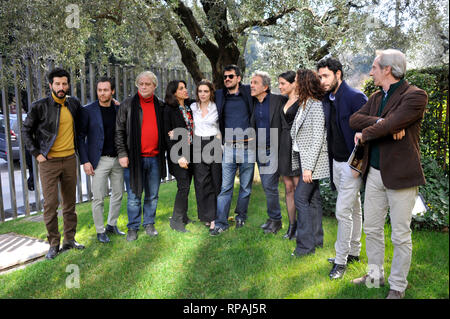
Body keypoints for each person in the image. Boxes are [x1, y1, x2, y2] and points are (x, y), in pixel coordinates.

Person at [349, 49, 428, 299]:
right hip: (373, 173)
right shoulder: (376, 96)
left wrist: (369, 132)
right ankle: (374, 276)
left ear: (387, 70)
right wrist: (384, 123)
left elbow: (393, 124)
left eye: (374, 67)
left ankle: (398, 286)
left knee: (401, 234)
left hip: (401, 176)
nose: (370, 72)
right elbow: (354, 119)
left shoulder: (416, 96)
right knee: (371, 229)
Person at [22, 68, 84, 260]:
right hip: (48, 162)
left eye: (64, 84)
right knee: (50, 204)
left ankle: (70, 240)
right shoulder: (39, 106)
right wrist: (37, 154)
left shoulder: (73, 103)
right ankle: (54, 244)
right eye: (57, 84)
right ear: (50, 85)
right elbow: (25, 131)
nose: (61, 87)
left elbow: (86, 116)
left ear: (68, 85)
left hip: (70, 160)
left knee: (70, 204)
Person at [317, 57, 368, 279]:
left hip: (352, 164)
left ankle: (340, 261)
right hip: (336, 162)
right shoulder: (327, 99)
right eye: (320, 76)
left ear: (338, 74)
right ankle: (354, 253)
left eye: (325, 76)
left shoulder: (357, 98)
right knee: (354, 207)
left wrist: (358, 165)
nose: (322, 80)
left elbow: (367, 134)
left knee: (342, 211)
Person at [115, 71, 167, 241]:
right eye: (141, 84)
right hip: (133, 158)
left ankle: (149, 224)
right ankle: (133, 227)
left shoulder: (160, 105)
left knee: (152, 194)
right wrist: (122, 154)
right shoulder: (127, 105)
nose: (144, 87)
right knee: (134, 196)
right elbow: (119, 132)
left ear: (154, 86)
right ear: (137, 85)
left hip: (155, 158)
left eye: (148, 84)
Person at [77, 77, 125, 244]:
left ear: (112, 91)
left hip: (118, 159)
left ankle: (112, 225)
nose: (102, 93)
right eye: (99, 90)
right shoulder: (88, 110)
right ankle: (100, 231)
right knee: (98, 197)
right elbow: (80, 137)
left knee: (118, 194)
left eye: (106, 90)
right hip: (98, 161)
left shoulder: (118, 109)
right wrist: (85, 161)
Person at [210, 65, 255, 236]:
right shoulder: (220, 95)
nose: (227, 79)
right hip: (228, 148)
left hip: (248, 147)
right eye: (225, 77)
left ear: (239, 78)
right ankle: (221, 223)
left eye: (230, 76)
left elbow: (267, 97)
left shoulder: (248, 92)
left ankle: (241, 216)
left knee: (245, 186)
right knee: (225, 187)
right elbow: (202, 98)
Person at [290, 69, 329, 257]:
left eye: (296, 81)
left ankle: (305, 247)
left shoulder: (316, 106)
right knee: (313, 200)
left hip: (311, 162)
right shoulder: (303, 105)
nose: (294, 84)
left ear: (304, 83)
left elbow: (317, 139)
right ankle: (316, 240)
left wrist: (308, 168)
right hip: (302, 158)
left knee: (300, 199)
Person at [250, 71, 287, 234]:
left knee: (269, 186)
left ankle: (276, 221)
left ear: (265, 87)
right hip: (259, 151)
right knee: (268, 187)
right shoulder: (253, 103)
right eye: (251, 82)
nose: (251, 85)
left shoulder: (278, 100)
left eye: (255, 83)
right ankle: (273, 218)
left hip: (274, 150)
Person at [164, 80, 196, 232]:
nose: (185, 90)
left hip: (191, 151)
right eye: (181, 88)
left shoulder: (189, 107)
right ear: (174, 92)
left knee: (186, 186)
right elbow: (167, 137)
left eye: (185, 87)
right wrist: (178, 157)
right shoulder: (169, 110)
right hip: (178, 154)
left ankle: (183, 216)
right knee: (183, 186)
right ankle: (176, 221)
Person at [190, 80, 222, 233]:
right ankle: (206, 216)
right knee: (201, 182)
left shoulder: (216, 107)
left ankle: (215, 218)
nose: (203, 94)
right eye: (200, 91)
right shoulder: (192, 107)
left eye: (206, 91)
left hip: (214, 143)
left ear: (211, 93)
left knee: (216, 180)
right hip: (198, 144)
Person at [277, 71, 301, 239]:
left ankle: (302, 226)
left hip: (297, 146)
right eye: (279, 83)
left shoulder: (302, 102)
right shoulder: (284, 101)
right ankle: (291, 227)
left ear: (294, 84)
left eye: (283, 83)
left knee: (299, 189)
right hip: (284, 145)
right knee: (288, 188)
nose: (280, 87)